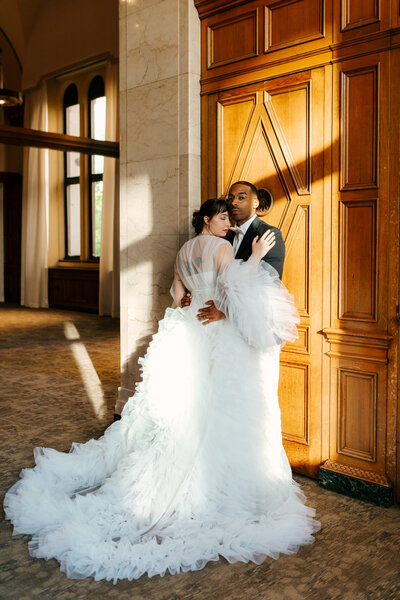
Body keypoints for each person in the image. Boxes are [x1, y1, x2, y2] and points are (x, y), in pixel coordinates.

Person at [4, 198, 319, 583]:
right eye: (222, 216)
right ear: (208, 220)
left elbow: (175, 295)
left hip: (188, 327)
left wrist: (189, 302)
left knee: (190, 405)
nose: (227, 222)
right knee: (218, 407)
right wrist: (254, 258)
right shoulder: (220, 246)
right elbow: (231, 291)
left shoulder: (185, 250)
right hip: (216, 332)